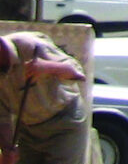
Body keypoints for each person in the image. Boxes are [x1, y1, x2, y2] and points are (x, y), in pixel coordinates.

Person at [0, 30, 92, 164]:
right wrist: (8, 150)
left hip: (63, 123)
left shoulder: (31, 46)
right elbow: (2, 116)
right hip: (28, 130)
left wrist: (47, 67)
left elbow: (77, 73)